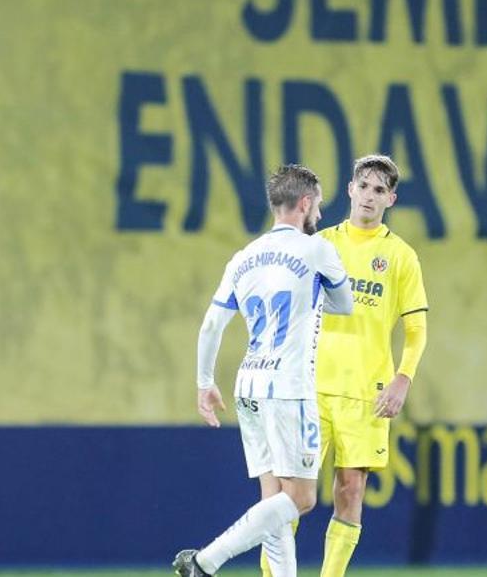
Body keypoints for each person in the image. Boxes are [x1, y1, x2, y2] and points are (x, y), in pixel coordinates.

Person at [174, 164, 353, 577]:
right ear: (305, 203)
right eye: (319, 207)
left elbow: (211, 325)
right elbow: (344, 304)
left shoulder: (244, 258)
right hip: (289, 386)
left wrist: (205, 383)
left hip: (248, 384)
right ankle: (205, 561)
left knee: (273, 498)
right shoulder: (317, 249)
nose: (321, 217)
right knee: (302, 499)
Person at [261, 154, 428, 577]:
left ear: (390, 199)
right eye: (363, 186)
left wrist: (403, 379)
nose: (369, 196)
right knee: (290, 495)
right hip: (310, 388)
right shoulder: (321, 244)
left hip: (366, 393)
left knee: (350, 491)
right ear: (350, 190)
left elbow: (416, 329)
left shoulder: (400, 256)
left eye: (379, 190)